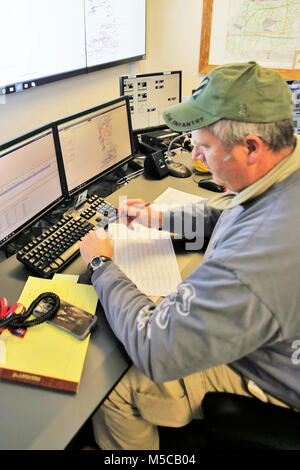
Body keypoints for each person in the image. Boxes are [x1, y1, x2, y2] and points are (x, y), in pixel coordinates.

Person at [79, 61, 300, 450]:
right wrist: (160, 217)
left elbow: (154, 347)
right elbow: (231, 214)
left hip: (273, 375)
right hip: (279, 334)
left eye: (205, 146)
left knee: (113, 388)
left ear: (251, 147)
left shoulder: (255, 256)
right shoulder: (287, 167)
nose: (194, 154)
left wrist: (102, 265)